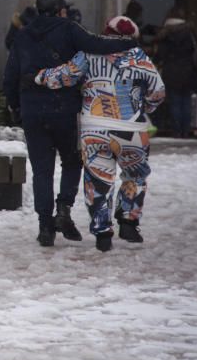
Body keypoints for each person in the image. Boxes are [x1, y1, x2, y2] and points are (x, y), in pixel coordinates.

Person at [3, 0, 137, 247]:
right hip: (64, 108)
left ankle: (45, 226)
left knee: (41, 169)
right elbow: (97, 45)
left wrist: (15, 106)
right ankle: (63, 209)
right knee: (72, 160)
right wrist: (128, 43)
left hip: (32, 109)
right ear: (61, 11)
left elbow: (10, 75)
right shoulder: (69, 29)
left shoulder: (23, 36)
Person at [34, 16, 165, 252]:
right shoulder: (140, 58)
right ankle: (129, 223)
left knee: (98, 179)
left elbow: (64, 76)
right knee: (135, 175)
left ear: (104, 33)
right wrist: (143, 108)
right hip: (133, 130)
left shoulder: (89, 54)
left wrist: (39, 76)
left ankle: (103, 232)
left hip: (96, 129)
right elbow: (158, 92)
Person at [154, 8, 197, 138]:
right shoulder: (190, 33)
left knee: (174, 102)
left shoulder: (166, 34)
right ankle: (185, 130)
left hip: (171, 72)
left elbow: (160, 55)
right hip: (188, 71)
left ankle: (176, 131)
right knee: (186, 102)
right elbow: (196, 51)